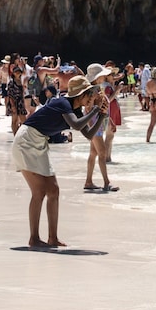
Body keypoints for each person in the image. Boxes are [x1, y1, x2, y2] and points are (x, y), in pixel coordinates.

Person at [13, 75, 108, 247]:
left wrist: (101, 115)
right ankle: (34, 238)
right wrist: (94, 111)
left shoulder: (76, 110)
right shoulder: (63, 103)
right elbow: (77, 125)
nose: (91, 98)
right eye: (89, 95)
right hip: (26, 140)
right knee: (39, 191)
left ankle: (52, 238)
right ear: (81, 94)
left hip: (39, 141)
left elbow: (87, 134)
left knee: (54, 190)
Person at [84, 65, 119, 192]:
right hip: (95, 126)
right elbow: (88, 110)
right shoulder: (92, 92)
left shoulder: (98, 89)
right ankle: (106, 182)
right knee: (102, 153)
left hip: (99, 124)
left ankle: (88, 181)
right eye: (102, 75)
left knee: (93, 153)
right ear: (97, 77)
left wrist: (109, 120)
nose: (104, 76)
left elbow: (103, 109)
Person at [6, 65, 27, 135]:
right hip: (14, 102)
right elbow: (10, 95)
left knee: (23, 120)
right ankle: (15, 135)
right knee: (14, 121)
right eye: (16, 72)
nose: (18, 73)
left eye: (19, 72)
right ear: (13, 73)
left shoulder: (20, 80)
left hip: (20, 102)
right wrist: (13, 106)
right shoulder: (11, 83)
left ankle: (21, 135)